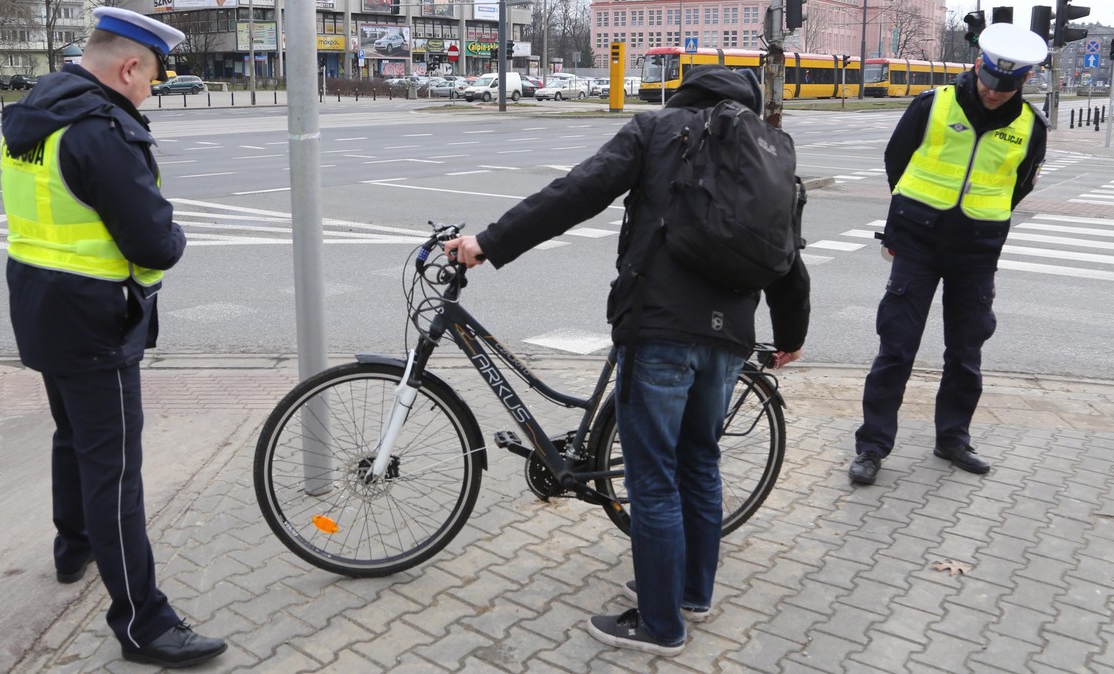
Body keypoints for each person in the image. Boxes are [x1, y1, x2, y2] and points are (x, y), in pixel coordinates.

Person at [445, 66, 810, 656]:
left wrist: (490, 242)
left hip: (661, 327)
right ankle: (692, 592)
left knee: (653, 478)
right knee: (699, 462)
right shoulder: (765, 156)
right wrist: (791, 332)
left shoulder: (658, 129)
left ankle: (661, 625)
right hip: (728, 340)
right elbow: (788, 256)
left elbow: (576, 192)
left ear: (687, 91)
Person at [0, 7, 226, 667]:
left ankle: (73, 549)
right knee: (116, 470)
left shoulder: (37, 107)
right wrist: (174, 234)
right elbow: (155, 240)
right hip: (95, 318)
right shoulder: (101, 130)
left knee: (72, 437)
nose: (153, 89)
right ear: (130, 67)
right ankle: (142, 624)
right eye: (154, 77)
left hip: (39, 303)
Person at [848, 23, 1049, 486]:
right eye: (990, 83)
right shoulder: (932, 104)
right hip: (918, 243)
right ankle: (873, 446)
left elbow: (1018, 186)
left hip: (976, 252)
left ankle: (952, 439)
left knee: (966, 352)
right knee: (896, 346)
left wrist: (979, 218)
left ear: (1024, 81)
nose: (996, 94)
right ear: (978, 66)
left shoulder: (1030, 127)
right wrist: (915, 214)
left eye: (1008, 87)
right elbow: (895, 162)